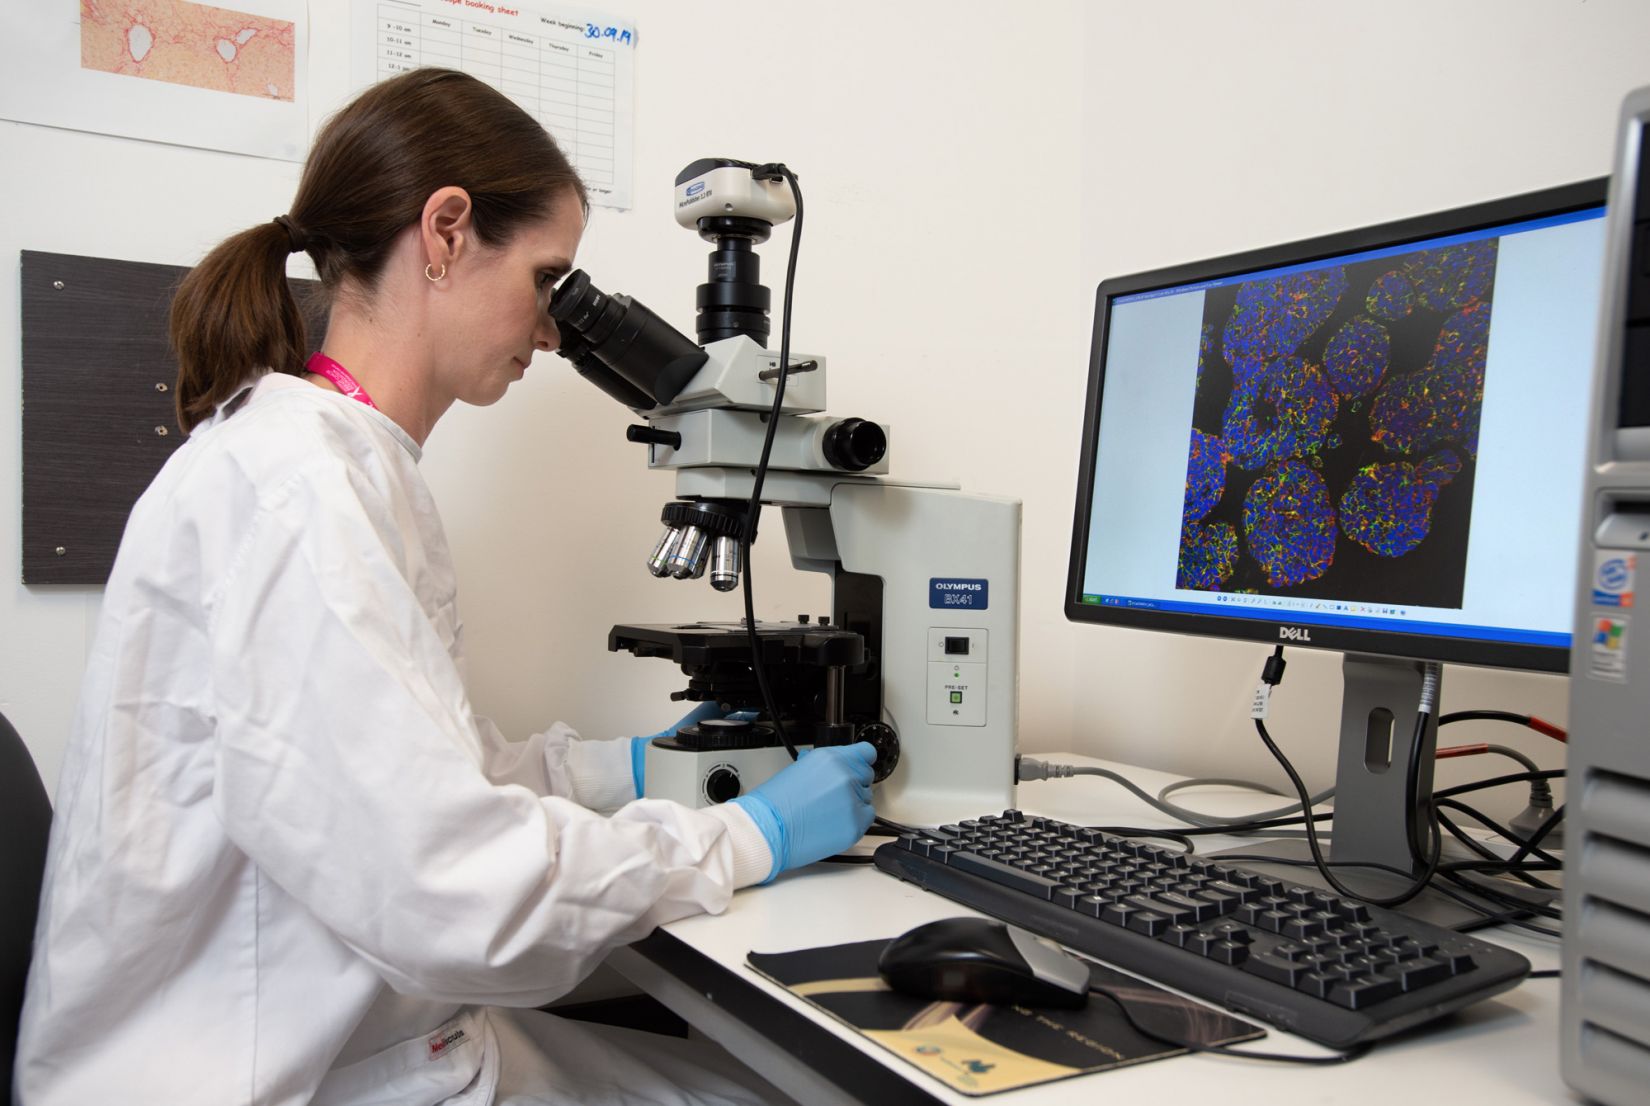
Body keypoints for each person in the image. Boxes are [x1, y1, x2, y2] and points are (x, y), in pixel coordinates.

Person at [14, 68, 876, 1106]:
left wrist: (635, 769)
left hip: (361, 1040)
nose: (559, 330)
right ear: (447, 231)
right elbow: (459, 891)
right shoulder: (297, 493)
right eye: (550, 279)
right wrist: (745, 836)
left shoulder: (330, 461)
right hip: (264, 1075)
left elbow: (428, 775)